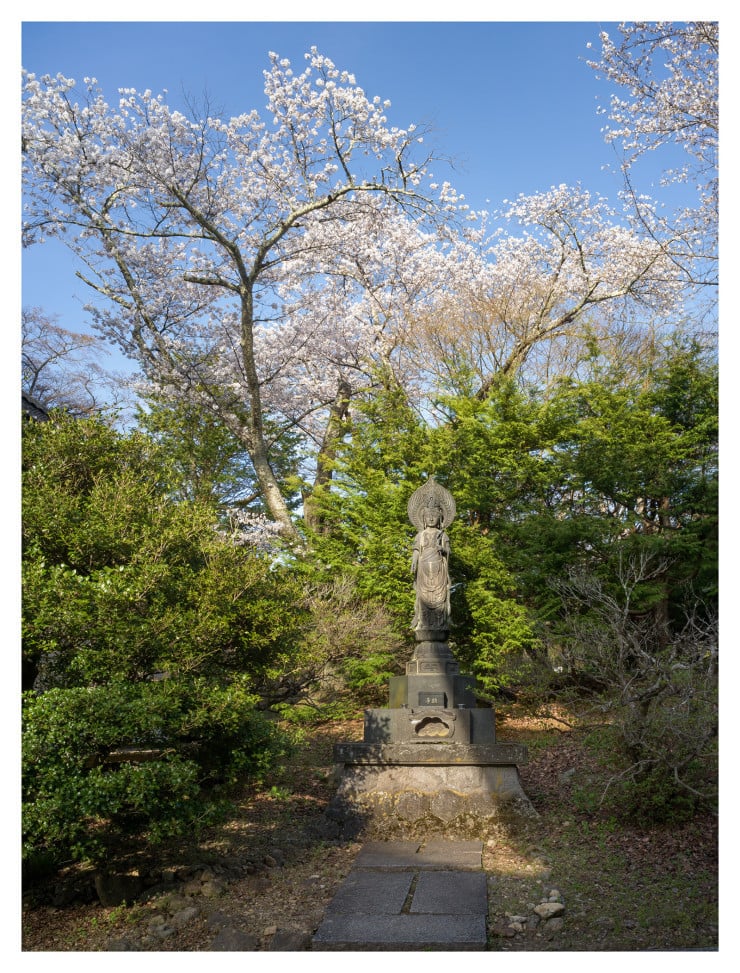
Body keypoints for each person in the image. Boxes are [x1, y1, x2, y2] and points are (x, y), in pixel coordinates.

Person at [411, 501, 451, 634]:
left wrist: (443, 549)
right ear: (423, 518)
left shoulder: (443, 535)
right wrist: (414, 561)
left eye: (434, 516)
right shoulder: (420, 535)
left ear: (440, 518)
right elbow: (417, 550)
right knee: (424, 597)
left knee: (439, 597)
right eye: (428, 516)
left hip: (439, 570)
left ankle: (440, 624)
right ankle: (424, 623)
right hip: (423, 570)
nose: (431, 519)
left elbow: (448, 551)